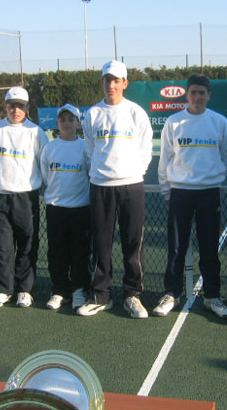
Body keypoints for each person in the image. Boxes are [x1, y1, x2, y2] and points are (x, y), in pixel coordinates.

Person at [153, 75, 227, 318]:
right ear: (186, 95)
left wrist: (216, 174)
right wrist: (167, 191)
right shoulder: (174, 122)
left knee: (209, 248)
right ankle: (171, 293)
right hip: (180, 194)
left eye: (202, 92)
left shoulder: (219, 123)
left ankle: (212, 297)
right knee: (177, 248)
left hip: (209, 194)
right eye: (193, 92)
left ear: (208, 95)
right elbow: (164, 160)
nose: (197, 97)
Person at [77, 60, 153, 318]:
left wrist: (132, 173)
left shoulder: (136, 113)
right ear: (102, 82)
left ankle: (133, 295)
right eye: (107, 80)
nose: (111, 84)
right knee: (101, 244)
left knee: (133, 243)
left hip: (131, 186)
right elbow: (90, 149)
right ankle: (101, 295)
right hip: (100, 187)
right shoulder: (92, 114)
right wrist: (104, 173)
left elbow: (146, 150)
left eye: (116, 80)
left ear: (125, 83)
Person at [0, 87, 49, 308]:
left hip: (26, 197)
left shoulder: (36, 133)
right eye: (12, 105)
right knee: (3, 247)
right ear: (5, 106)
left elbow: (44, 163)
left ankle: (25, 290)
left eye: (20, 106)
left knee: (27, 244)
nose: (16, 110)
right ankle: (3, 290)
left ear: (27, 108)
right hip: (1, 197)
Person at [40, 104, 91, 310]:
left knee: (80, 252)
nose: (67, 123)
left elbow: (90, 175)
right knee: (57, 252)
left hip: (81, 209)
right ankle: (59, 290)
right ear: (57, 123)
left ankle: (79, 290)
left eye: (71, 119)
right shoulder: (49, 148)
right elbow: (46, 175)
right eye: (63, 119)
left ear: (79, 124)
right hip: (56, 209)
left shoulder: (86, 147)